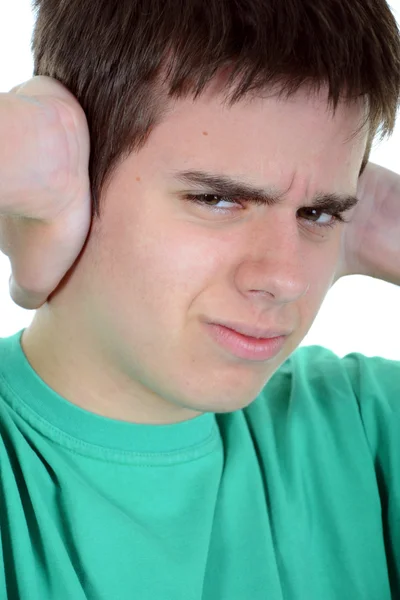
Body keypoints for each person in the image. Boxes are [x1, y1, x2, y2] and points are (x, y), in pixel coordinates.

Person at [0, 0, 400, 598]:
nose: (284, 278)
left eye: (319, 213)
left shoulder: (367, 425)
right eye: (217, 199)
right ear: (73, 173)